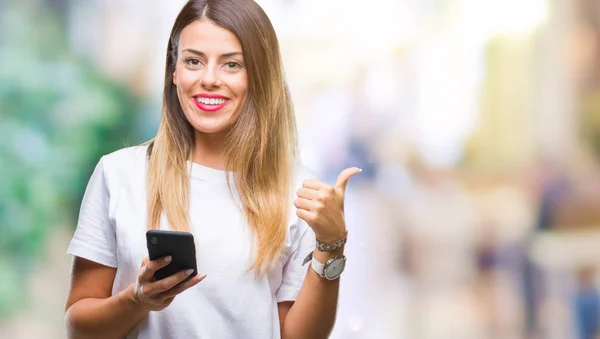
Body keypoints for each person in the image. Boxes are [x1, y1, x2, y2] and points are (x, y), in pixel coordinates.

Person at [63, 0, 360, 338]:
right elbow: (79, 328)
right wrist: (137, 300)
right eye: (193, 61)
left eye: (231, 64)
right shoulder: (118, 175)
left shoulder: (299, 192)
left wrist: (331, 243)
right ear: (174, 71)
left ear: (259, 76)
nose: (209, 79)